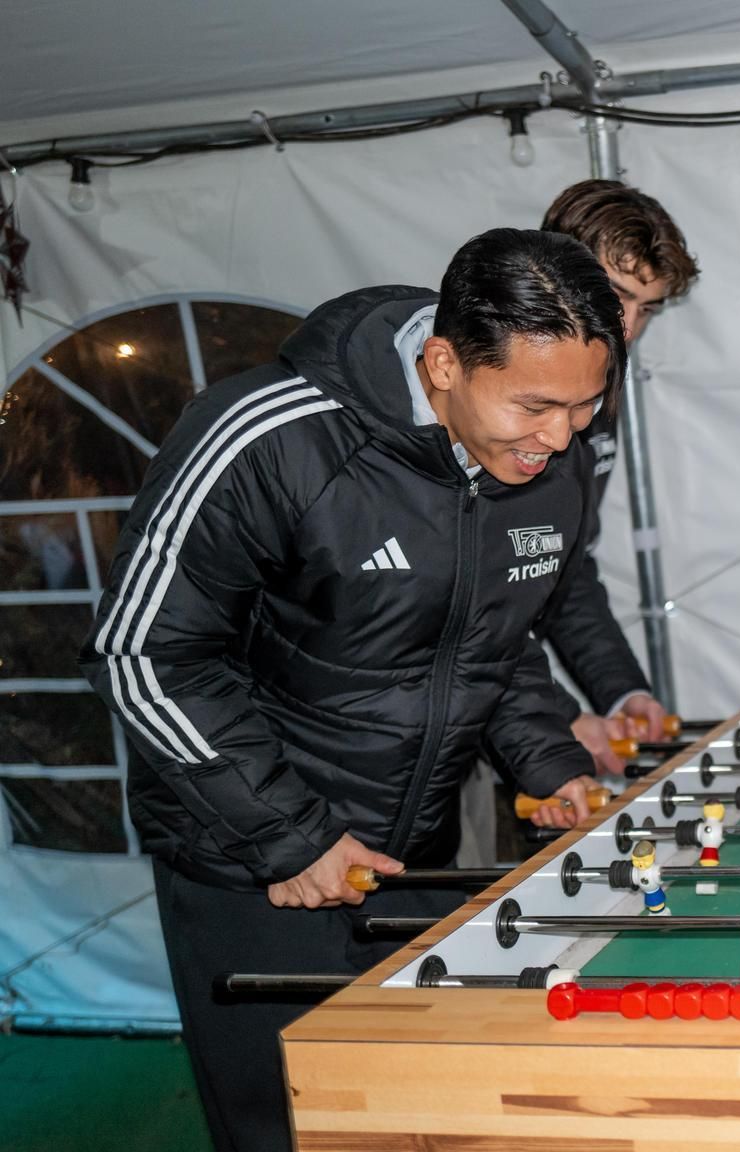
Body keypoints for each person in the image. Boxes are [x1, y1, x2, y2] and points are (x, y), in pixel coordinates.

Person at [80, 228, 624, 1152]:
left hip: (415, 853)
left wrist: (546, 760)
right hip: (252, 864)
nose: (563, 438)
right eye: (536, 406)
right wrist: (290, 836)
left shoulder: (549, 457)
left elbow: (490, 638)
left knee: (419, 1119)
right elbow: (143, 652)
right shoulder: (267, 432)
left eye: (587, 405)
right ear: (444, 362)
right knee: (293, 1131)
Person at [456, 181, 699, 866]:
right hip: (438, 706)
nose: (627, 327)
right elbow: (467, 598)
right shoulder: (495, 392)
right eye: (615, 296)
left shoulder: (603, 395)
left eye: (646, 308)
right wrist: (558, 716)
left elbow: (561, 566)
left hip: (499, 701)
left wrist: (621, 691)